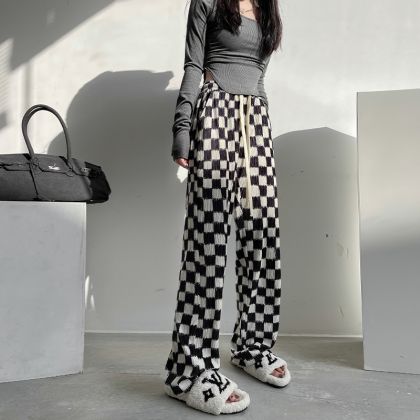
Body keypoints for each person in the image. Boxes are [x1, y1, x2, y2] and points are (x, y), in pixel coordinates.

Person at [163, 0, 291, 415]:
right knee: (208, 242)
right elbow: (193, 64)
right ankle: (190, 371)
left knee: (262, 237)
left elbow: (259, 74)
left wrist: (260, 123)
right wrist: (183, 126)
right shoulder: (208, 2)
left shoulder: (268, 8)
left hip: (256, 118)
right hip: (215, 111)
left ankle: (253, 345)